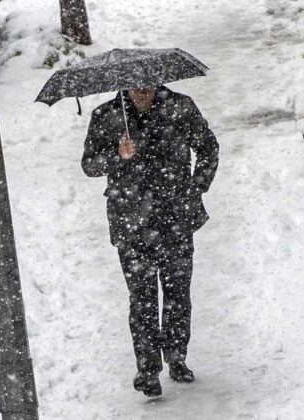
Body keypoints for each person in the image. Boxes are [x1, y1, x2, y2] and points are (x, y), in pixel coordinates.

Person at [82, 86, 218, 397]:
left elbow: (208, 146)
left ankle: (176, 357)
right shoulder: (106, 116)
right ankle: (147, 369)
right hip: (131, 222)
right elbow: (89, 164)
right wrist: (116, 154)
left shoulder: (180, 107)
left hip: (176, 218)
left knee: (177, 293)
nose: (142, 93)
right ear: (125, 87)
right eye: (136, 88)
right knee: (141, 298)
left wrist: (197, 187)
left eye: (148, 87)